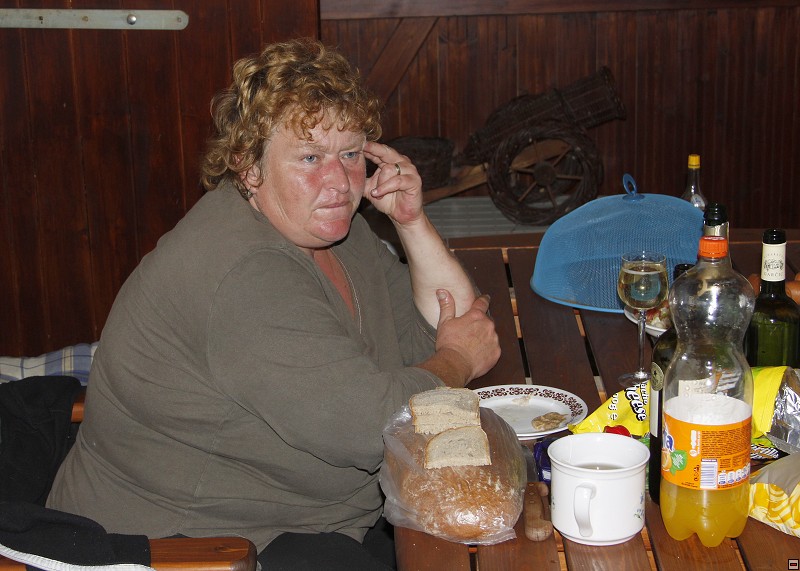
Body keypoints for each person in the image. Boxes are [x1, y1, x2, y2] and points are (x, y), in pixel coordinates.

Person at [47, 38, 500, 570]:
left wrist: (411, 223)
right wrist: (457, 362)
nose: (339, 182)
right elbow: (374, 427)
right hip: (199, 545)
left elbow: (452, 321)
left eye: (351, 154)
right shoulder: (244, 273)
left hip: (322, 518)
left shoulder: (336, 231)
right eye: (310, 157)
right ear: (249, 166)